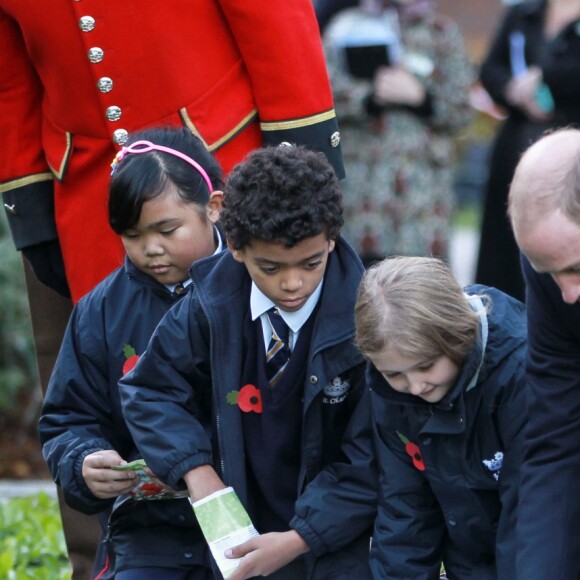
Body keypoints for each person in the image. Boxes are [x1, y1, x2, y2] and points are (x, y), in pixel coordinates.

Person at [1, 2, 344, 574]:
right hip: (84, 186)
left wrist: (302, 164)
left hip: (219, 160)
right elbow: (10, 70)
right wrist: (28, 199)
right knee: (103, 379)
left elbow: (274, 22)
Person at [119, 145, 376, 579]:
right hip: (236, 533)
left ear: (332, 239)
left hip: (337, 543)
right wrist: (197, 473)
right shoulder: (209, 303)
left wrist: (300, 540)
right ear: (236, 248)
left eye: (311, 263)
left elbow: (371, 458)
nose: (293, 283)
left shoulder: (368, 319)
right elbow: (149, 389)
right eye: (270, 267)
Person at [39, 126, 225, 579]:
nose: (151, 249)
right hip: (148, 531)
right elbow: (67, 419)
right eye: (132, 235)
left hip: (257, 518)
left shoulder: (256, 284)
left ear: (214, 209)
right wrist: (84, 462)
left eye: (167, 229)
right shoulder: (100, 310)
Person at [354, 256, 527, 578]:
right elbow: (405, 507)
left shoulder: (519, 375)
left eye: (425, 366)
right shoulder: (390, 392)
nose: (415, 386)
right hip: (469, 556)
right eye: (394, 373)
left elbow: (531, 516)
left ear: (456, 333)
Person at [322, 0, 473, 265]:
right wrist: (369, 98)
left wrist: (421, 98)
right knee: (357, 282)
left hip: (424, 194)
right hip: (362, 188)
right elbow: (321, 92)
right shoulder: (346, 27)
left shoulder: (442, 32)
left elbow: (462, 109)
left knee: (421, 289)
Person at [508, 128, 580, 577]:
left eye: (576, 269)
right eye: (549, 272)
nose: (568, 294)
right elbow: (556, 438)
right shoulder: (552, 266)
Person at [475, 0, 580, 301]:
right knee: (502, 247)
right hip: (516, 147)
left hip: (570, 152)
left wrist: (546, 78)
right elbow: (490, 69)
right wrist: (511, 89)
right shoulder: (523, 12)